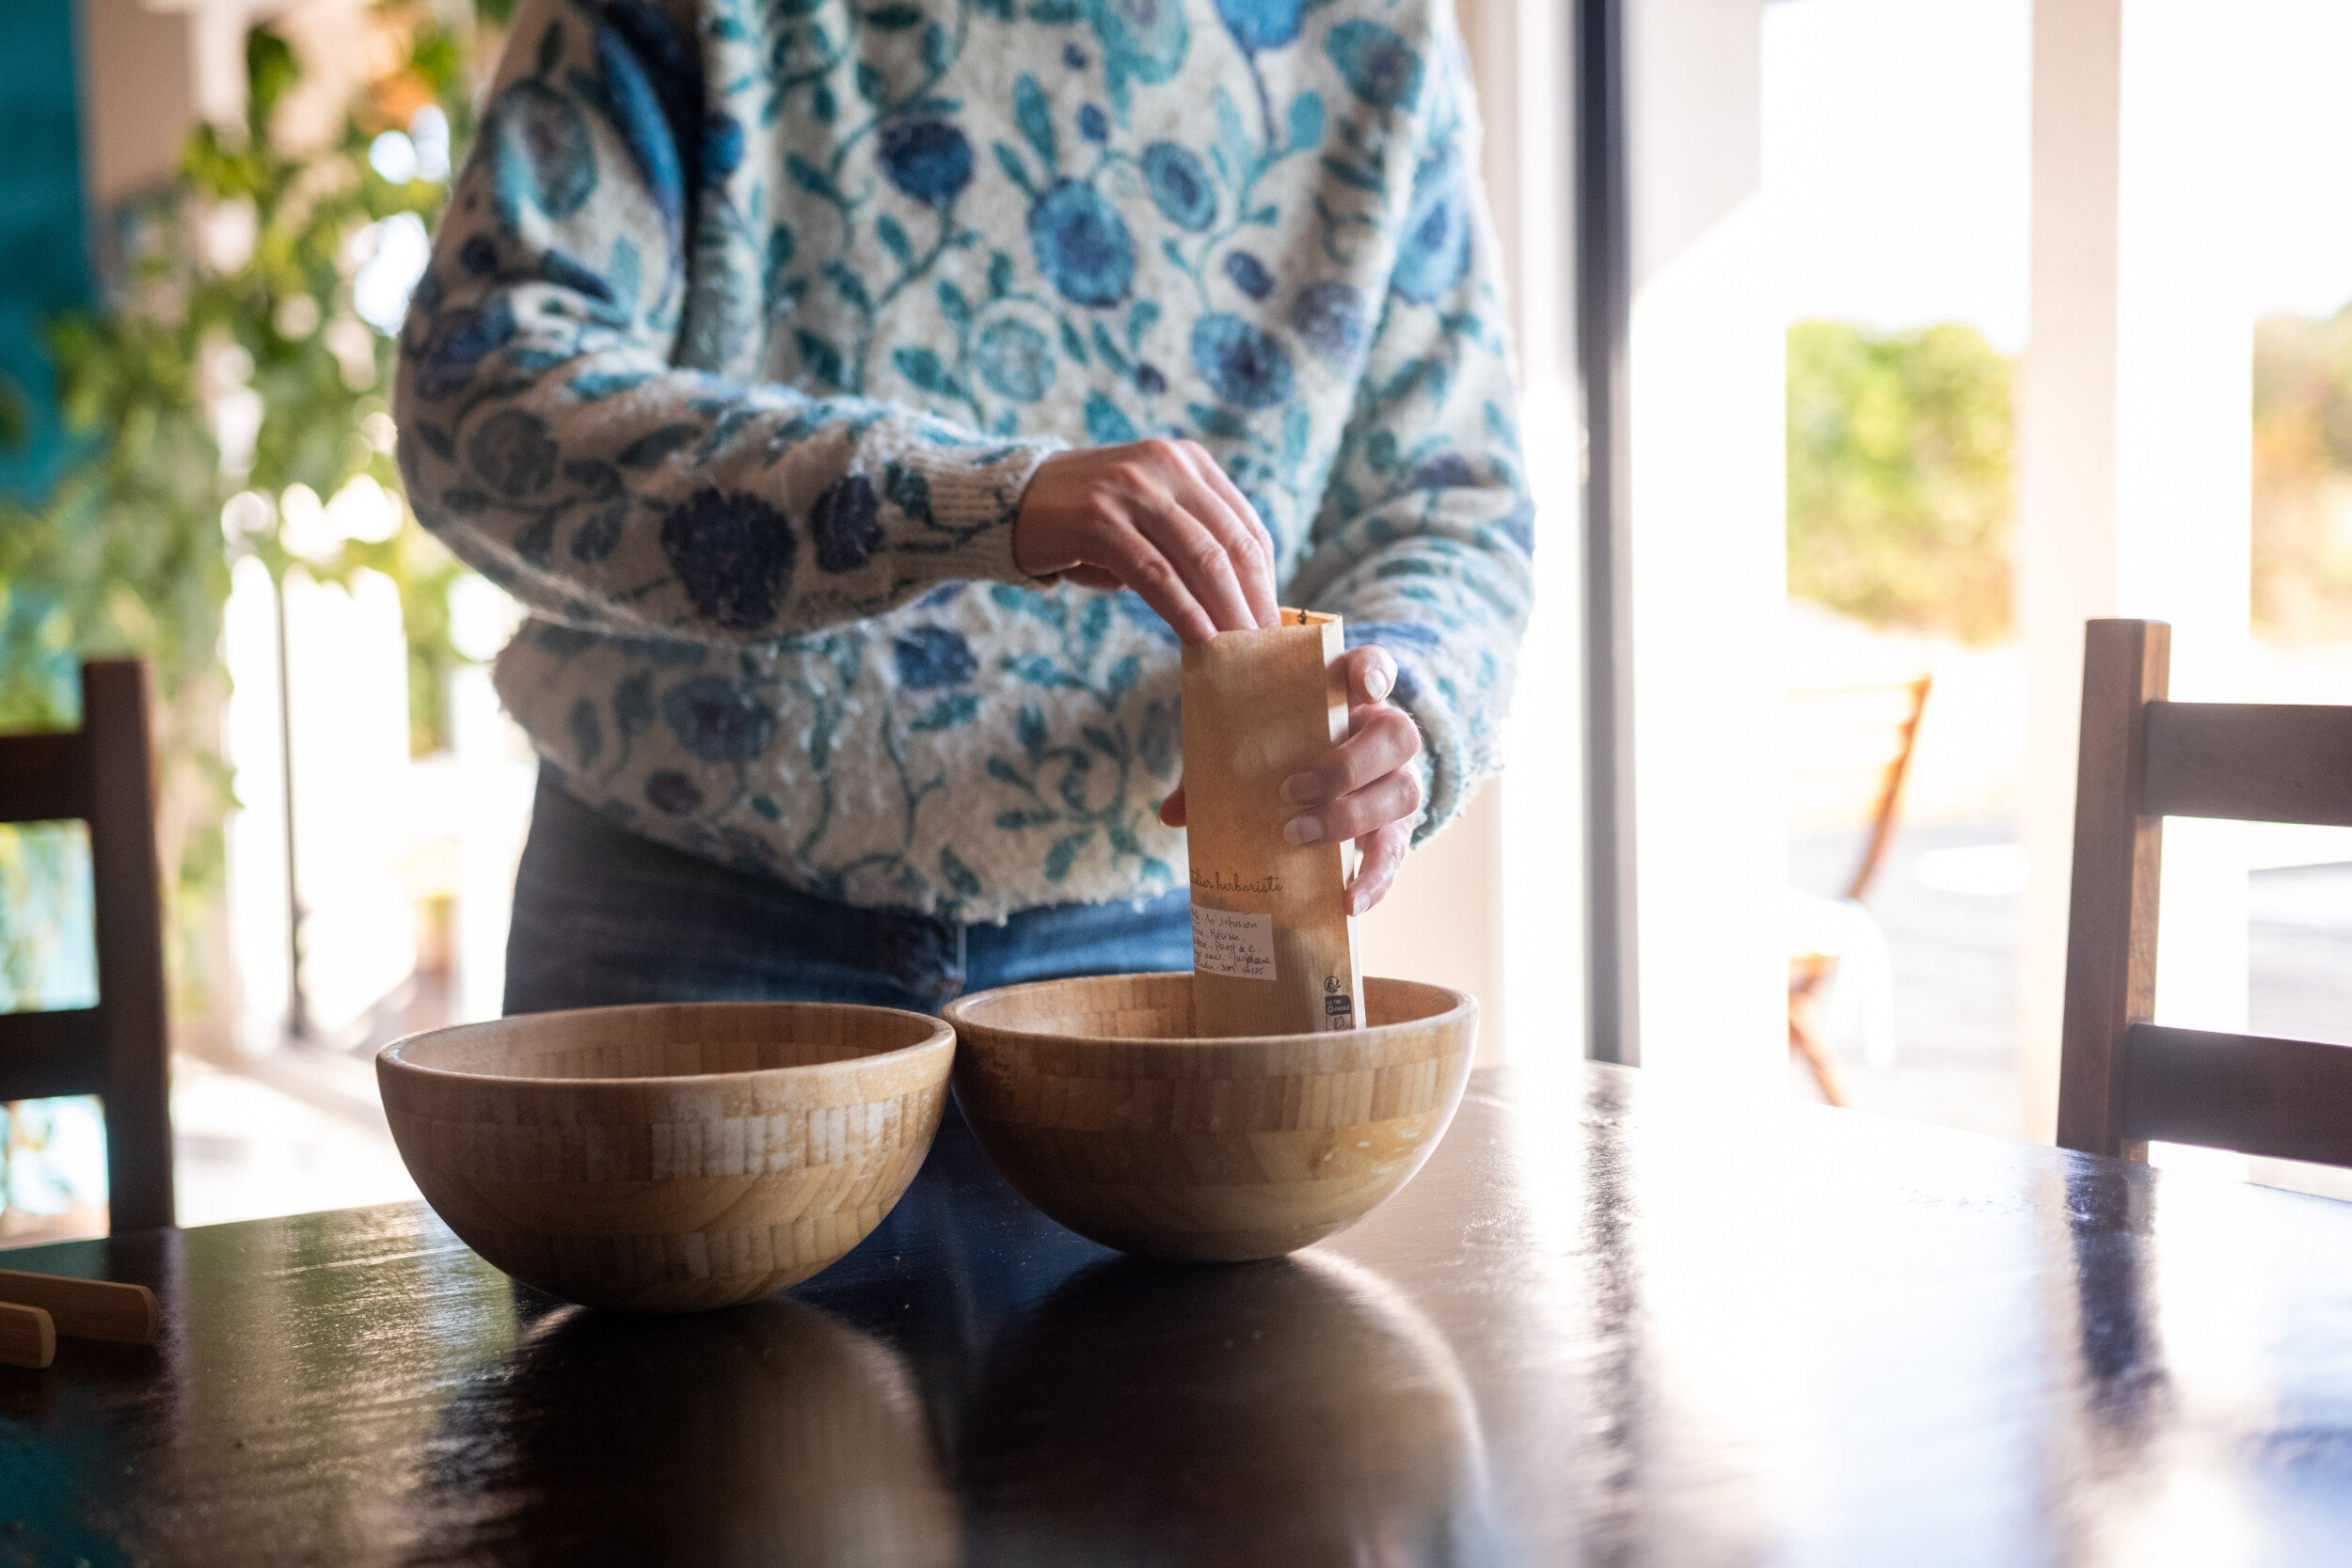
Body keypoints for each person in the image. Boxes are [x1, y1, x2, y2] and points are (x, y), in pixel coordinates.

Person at [394, 0, 1534, 1016]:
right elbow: (482, 394)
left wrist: (1407, 705)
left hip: (1163, 935)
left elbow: (1445, 506)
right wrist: (978, 501)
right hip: (690, 907)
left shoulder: (1379, 37)